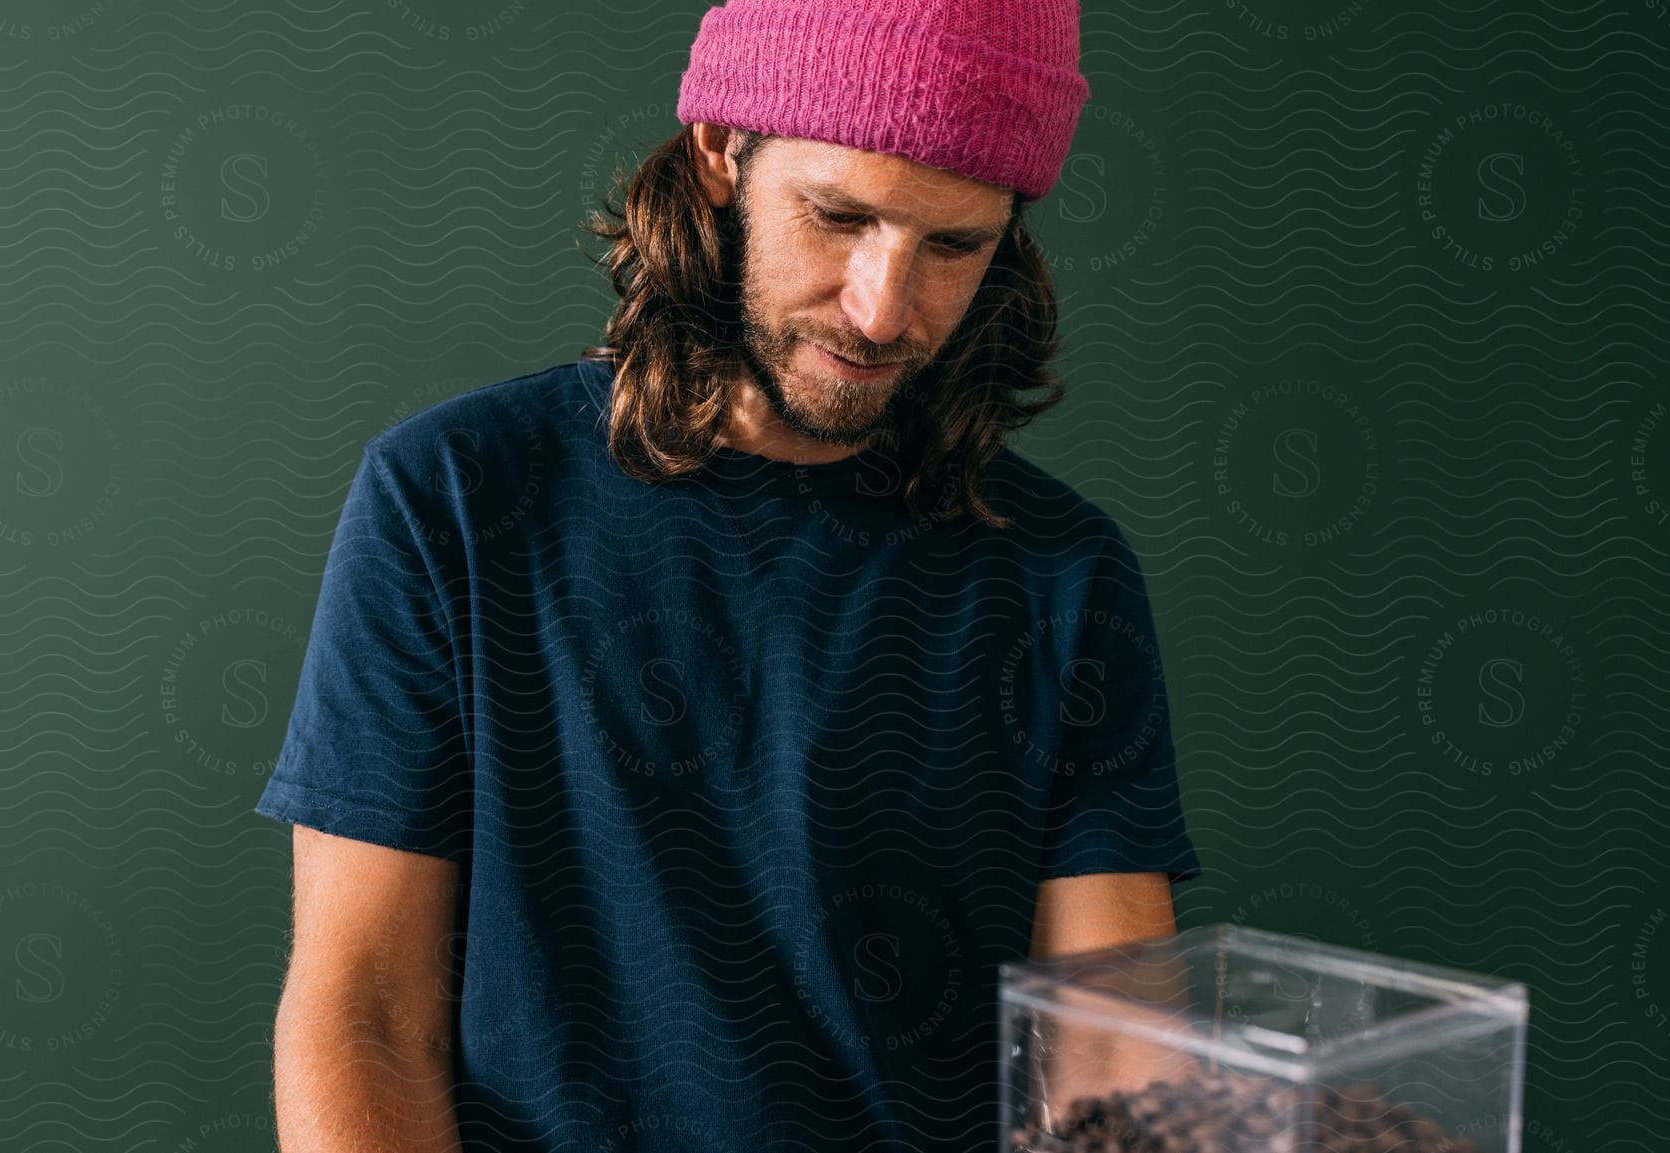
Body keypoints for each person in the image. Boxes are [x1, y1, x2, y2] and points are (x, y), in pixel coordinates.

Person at [253, 1, 1202, 1150]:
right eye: (838, 216)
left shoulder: (1064, 569)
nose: (883, 308)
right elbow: (364, 1015)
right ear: (720, 152)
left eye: (954, 245)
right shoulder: (454, 497)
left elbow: (1110, 1052)